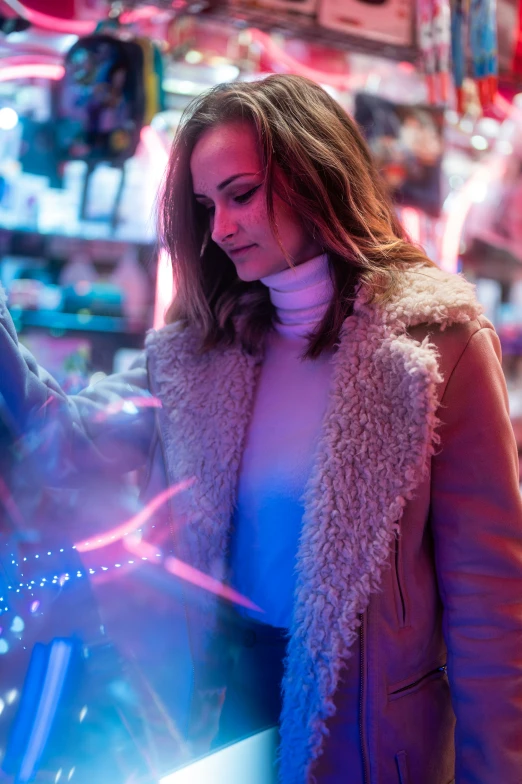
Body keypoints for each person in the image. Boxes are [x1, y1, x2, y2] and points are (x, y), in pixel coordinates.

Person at [1, 74, 522, 784]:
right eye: (205, 205)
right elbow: (60, 438)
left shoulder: (438, 351)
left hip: (369, 735)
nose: (219, 228)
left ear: (315, 175)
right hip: (219, 718)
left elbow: (492, 612)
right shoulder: (202, 355)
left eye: (241, 194)